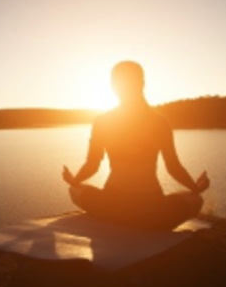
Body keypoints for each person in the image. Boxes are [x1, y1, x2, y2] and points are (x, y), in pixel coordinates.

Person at [62, 61, 210, 230]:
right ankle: (147, 221)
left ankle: (116, 218)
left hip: (111, 207)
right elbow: (173, 167)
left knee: (74, 190)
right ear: (142, 83)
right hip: (151, 212)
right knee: (195, 200)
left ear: (113, 86)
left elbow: (92, 164)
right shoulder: (160, 122)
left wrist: (74, 180)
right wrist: (195, 188)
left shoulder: (102, 121)